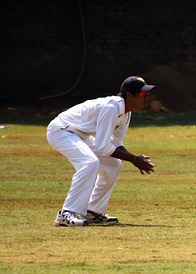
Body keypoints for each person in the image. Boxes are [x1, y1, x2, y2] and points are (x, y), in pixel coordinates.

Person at [46, 76, 157, 227]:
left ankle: (93, 211)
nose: (147, 97)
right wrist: (133, 159)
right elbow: (103, 147)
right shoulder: (111, 107)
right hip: (61, 130)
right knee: (90, 162)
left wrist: (134, 159)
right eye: (143, 94)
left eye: (147, 94)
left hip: (80, 134)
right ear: (130, 95)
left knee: (113, 164)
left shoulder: (126, 112)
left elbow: (116, 143)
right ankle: (67, 213)